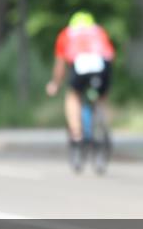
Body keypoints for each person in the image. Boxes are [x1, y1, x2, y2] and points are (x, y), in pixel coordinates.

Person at [46, 11, 116, 148]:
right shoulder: (99, 31)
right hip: (102, 66)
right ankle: (103, 126)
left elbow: (60, 65)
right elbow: (111, 55)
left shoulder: (66, 34)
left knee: (73, 96)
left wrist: (55, 84)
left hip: (80, 65)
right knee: (102, 97)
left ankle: (77, 134)